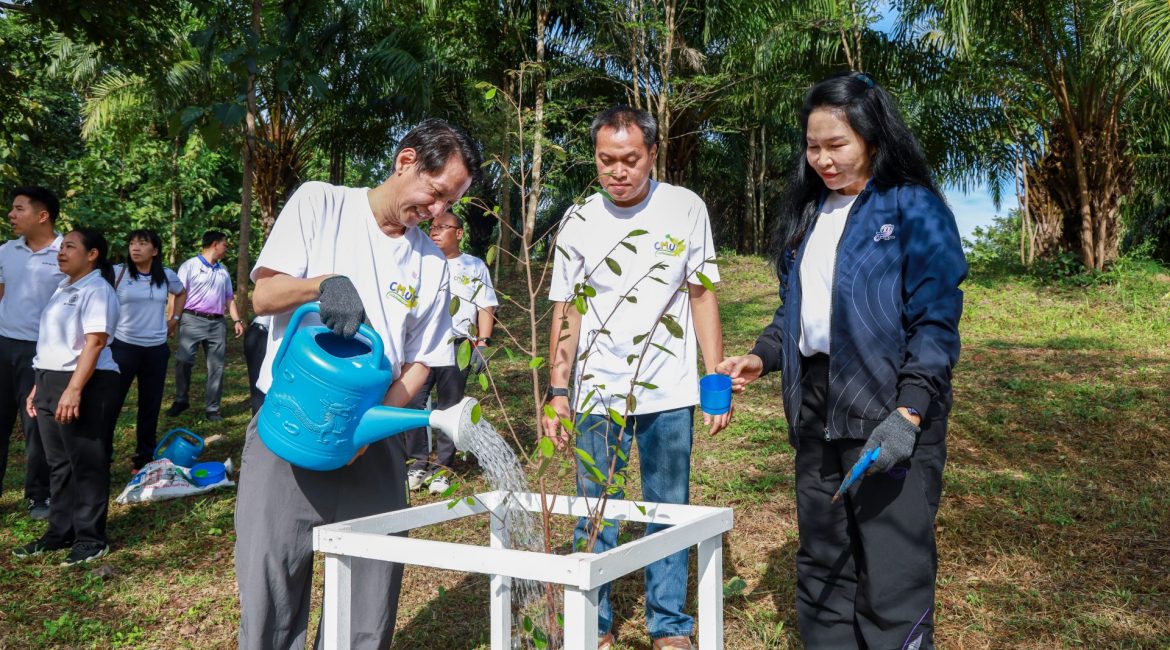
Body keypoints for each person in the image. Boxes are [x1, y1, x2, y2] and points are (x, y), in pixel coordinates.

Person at [716, 72, 967, 650]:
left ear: (872, 139)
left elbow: (935, 321)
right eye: (813, 146)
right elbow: (797, 312)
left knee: (892, 567)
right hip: (816, 406)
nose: (823, 160)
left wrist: (909, 414)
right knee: (824, 561)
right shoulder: (809, 216)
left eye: (837, 145)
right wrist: (762, 356)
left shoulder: (913, 208)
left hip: (888, 406)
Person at [234, 118, 481, 649]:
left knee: (370, 597)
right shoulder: (321, 204)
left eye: (449, 202)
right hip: (291, 424)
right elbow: (262, 298)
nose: (437, 212)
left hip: (370, 440)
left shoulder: (432, 264)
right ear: (405, 161)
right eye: (435, 194)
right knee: (270, 585)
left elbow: (423, 362)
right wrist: (323, 285)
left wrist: (360, 432)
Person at [541, 105, 730, 650]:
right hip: (596, 392)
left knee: (668, 507)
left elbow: (702, 295)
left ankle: (668, 625)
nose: (618, 172)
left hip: (668, 390)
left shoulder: (685, 208)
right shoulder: (578, 218)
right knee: (594, 509)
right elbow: (565, 311)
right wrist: (558, 390)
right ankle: (590, 624)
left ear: (652, 154)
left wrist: (713, 381)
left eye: (630, 160)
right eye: (606, 161)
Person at [13, 228, 121, 565]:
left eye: (70, 247)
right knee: (58, 463)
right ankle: (60, 531)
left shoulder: (98, 290)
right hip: (49, 380)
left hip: (85, 382)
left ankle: (90, 538)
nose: (61, 252)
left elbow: (95, 341)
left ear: (92, 255)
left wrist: (73, 389)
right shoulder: (63, 288)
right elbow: (53, 344)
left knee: (86, 462)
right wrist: (38, 384)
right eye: (61, 247)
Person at [404, 209, 498, 495]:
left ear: (459, 233)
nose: (434, 231)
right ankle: (417, 464)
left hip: (458, 345)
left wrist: (483, 342)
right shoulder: (419, 260)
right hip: (420, 345)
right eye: (431, 227)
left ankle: (443, 469)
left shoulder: (474, 266)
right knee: (413, 402)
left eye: (442, 227)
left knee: (449, 405)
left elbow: (486, 304)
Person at [1, 186, 65, 520]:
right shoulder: (6, 250)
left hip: (42, 353)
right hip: (3, 344)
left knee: (35, 425)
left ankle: (38, 495)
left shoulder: (66, 252)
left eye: (18, 209)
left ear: (42, 216)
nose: (11, 215)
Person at [108, 229, 186, 471]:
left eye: (142, 243)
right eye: (132, 243)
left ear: (155, 250)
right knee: (111, 403)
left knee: (149, 406)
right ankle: (102, 456)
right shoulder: (117, 272)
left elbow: (181, 292)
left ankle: (143, 459)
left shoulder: (166, 275)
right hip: (123, 347)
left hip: (155, 350)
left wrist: (174, 318)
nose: (135, 247)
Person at [165, 230, 244, 422]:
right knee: (184, 360)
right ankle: (181, 399)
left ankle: (212, 409)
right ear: (215, 244)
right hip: (192, 319)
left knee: (216, 367)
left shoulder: (223, 271)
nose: (226, 249)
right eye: (225, 245)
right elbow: (175, 294)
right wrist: (172, 320)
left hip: (217, 323)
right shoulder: (189, 266)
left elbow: (229, 299)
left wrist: (237, 320)